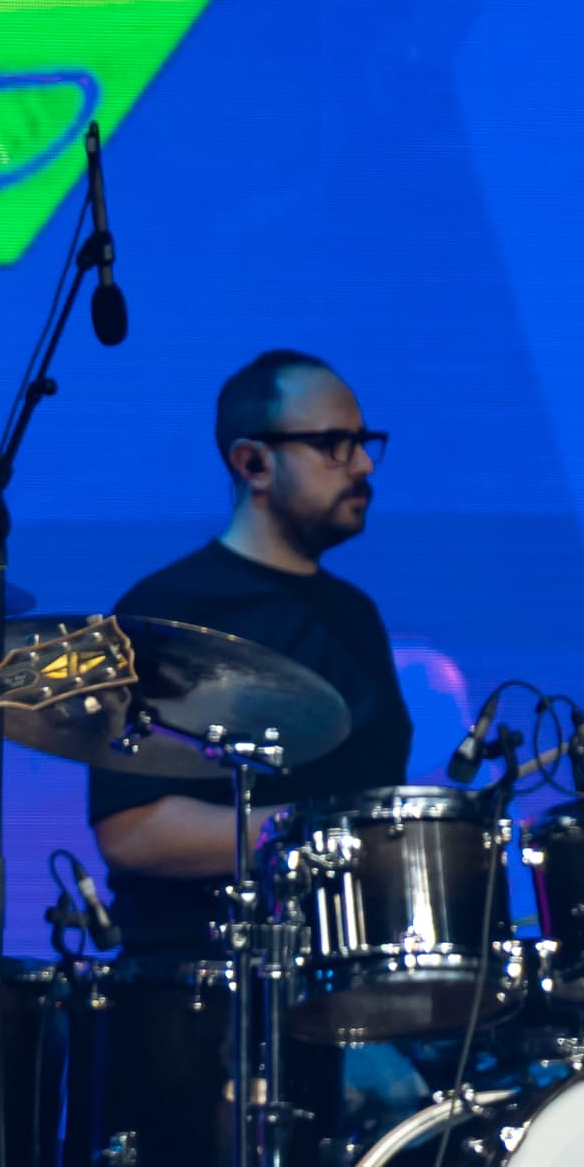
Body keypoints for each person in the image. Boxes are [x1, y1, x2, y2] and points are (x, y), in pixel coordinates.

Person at [87, 349, 411, 951]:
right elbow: (131, 833)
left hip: (356, 964)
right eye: (335, 445)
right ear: (253, 463)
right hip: (207, 979)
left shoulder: (357, 616)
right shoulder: (168, 611)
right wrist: (321, 834)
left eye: (365, 442)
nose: (364, 464)